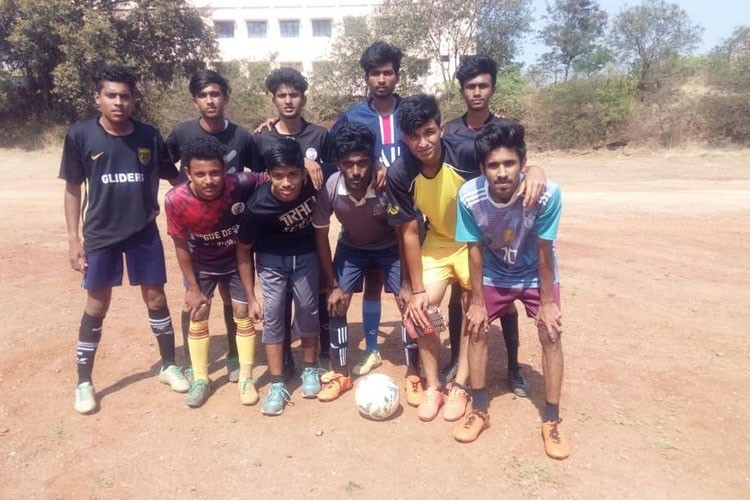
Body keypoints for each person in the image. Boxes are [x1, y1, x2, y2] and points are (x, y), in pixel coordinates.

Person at [386, 94, 545, 425]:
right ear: (404, 139)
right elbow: (410, 233)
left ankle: (460, 386)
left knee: (476, 309)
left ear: (441, 128)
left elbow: (506, 162)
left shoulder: (467, 151)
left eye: (429, 132)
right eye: (414, 137)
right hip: (440, 242)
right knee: (421, 309)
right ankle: (433, 386)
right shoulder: (400, 173)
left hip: (477, 242)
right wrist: (414, 289)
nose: (423, 142)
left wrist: (536, 170)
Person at [60, 64, 188, 414]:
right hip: (100, 235)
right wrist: (74, 240)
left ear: (134, 100)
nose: (119, 102)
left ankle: (168, 366)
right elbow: (73, 191)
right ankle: (84, 382)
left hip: (143, 232)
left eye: (125, 96)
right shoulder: (80, 135)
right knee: (97, 305)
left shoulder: (148, 135)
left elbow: (174, 178)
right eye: (111, 95)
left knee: (156, 299)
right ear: (97, 97)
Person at [455, 121, 569, 459]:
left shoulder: (547, 193)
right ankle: (479, 409)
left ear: (522, 164)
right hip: (494, 271)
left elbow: (545, 248)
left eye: (509, 164)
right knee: (474, 327)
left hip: (535, 273)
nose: (501, 173)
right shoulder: (470, 195)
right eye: (493, 165)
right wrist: (476, 301)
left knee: (551, 332)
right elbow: (474, 249)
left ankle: (551, 418)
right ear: (482, 169)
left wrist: (547, 303)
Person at [330, 41, 426, 385]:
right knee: (370, 286)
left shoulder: (411, 111)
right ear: (366, 78)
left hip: (407, 216)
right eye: (375, 73)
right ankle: (370, 349)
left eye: (388, 72)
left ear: (397, 76)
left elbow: (430, 144)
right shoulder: (354, 115)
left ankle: (422, 364)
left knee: (415, 291)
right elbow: (334, 151)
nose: (382, 79)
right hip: (369, 214)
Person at [166, 69, 259, 384]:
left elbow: (260, 173)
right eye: (203, 95)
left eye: (216, 94)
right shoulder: (181, 133)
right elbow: (165, 166)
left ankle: (235, 355)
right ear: (195, 100)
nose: (210, 100)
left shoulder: (243, 136)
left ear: (225, 97)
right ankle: (192, 363)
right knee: (194, 297)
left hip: (232, 228)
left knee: (234, 300)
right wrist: (185, 196)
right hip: (198, 233)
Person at [443, 55, 527, 397]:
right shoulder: (450, 131)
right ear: (461, 89)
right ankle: (455, 359)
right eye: (470, 86)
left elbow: (522, 167)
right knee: (457, 296)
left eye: (483, 85)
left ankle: (513, 366)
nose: (477, 92)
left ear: (493, 87)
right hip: (458, 223)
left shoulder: (504, 128)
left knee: (505, 300)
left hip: (498, 227)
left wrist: (535, 172)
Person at [312, 123, 413, 403]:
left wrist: (407, 283)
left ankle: (415, 373)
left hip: (390, 248)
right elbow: (321, 236)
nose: (356, 172)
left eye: (363, 163)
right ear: (339, 164)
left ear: (373, 161)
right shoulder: (331, 188)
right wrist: (332, 284)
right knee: (336, 303)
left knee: (410, 302)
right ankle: (340, 374)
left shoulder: (386, 185)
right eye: (348, 164)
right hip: (352, 247)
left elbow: (402, 231)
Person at [164, 138, 265, 408]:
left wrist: (304, 162)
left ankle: (245, 376)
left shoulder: (239, 183)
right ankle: (200, 378)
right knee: (198, 311)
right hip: (202, 263)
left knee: (242, 312)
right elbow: (180, 245)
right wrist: (192, 288)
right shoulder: (176, 200)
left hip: (235, 260)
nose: (209, 180)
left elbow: (272, 175)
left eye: (215, 172)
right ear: (188, 174)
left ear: (225, 170)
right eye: (200, 174)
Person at [253, 67, 331, 378]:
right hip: (272, 238)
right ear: (273, 99)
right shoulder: (262, 137)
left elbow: (334, 170)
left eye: (294, 94)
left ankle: (321, 355)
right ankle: (283, 360)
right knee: (278, 305)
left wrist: (312, 161)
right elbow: (259, 181)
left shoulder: (320, 136)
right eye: (282, 95)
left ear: (303, 98)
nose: (288, 101)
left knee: (311, 299)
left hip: (308, 235)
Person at [236, 140, 321, 416]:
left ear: (303, 172)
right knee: (273, 316)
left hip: (306, 256)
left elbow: (346, 166)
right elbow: (243, 250)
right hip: (271, 262)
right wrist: (250, 296)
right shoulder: (258, 205)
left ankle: (310, 368)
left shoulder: (313, 181)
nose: (287, 183)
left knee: (308, 310)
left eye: (293, 174)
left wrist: (379, 165)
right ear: (269, 175)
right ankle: (276, 383)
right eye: (278, 176)